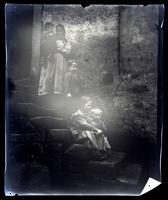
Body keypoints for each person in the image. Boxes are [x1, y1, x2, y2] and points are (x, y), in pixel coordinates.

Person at [38, 23, 71, 95]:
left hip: (62, 60)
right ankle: (47, 91)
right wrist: (50, 54)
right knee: (50, 74)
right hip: (53, 58)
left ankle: (58, 90)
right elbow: (47, 47)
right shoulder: (52, 38)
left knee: (60, 74)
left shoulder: (66, 41)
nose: (60, 32)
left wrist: (61, 51)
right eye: (58, 31)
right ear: (56, 31)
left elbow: (68, 51)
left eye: (61, 31)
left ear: (64, 32)